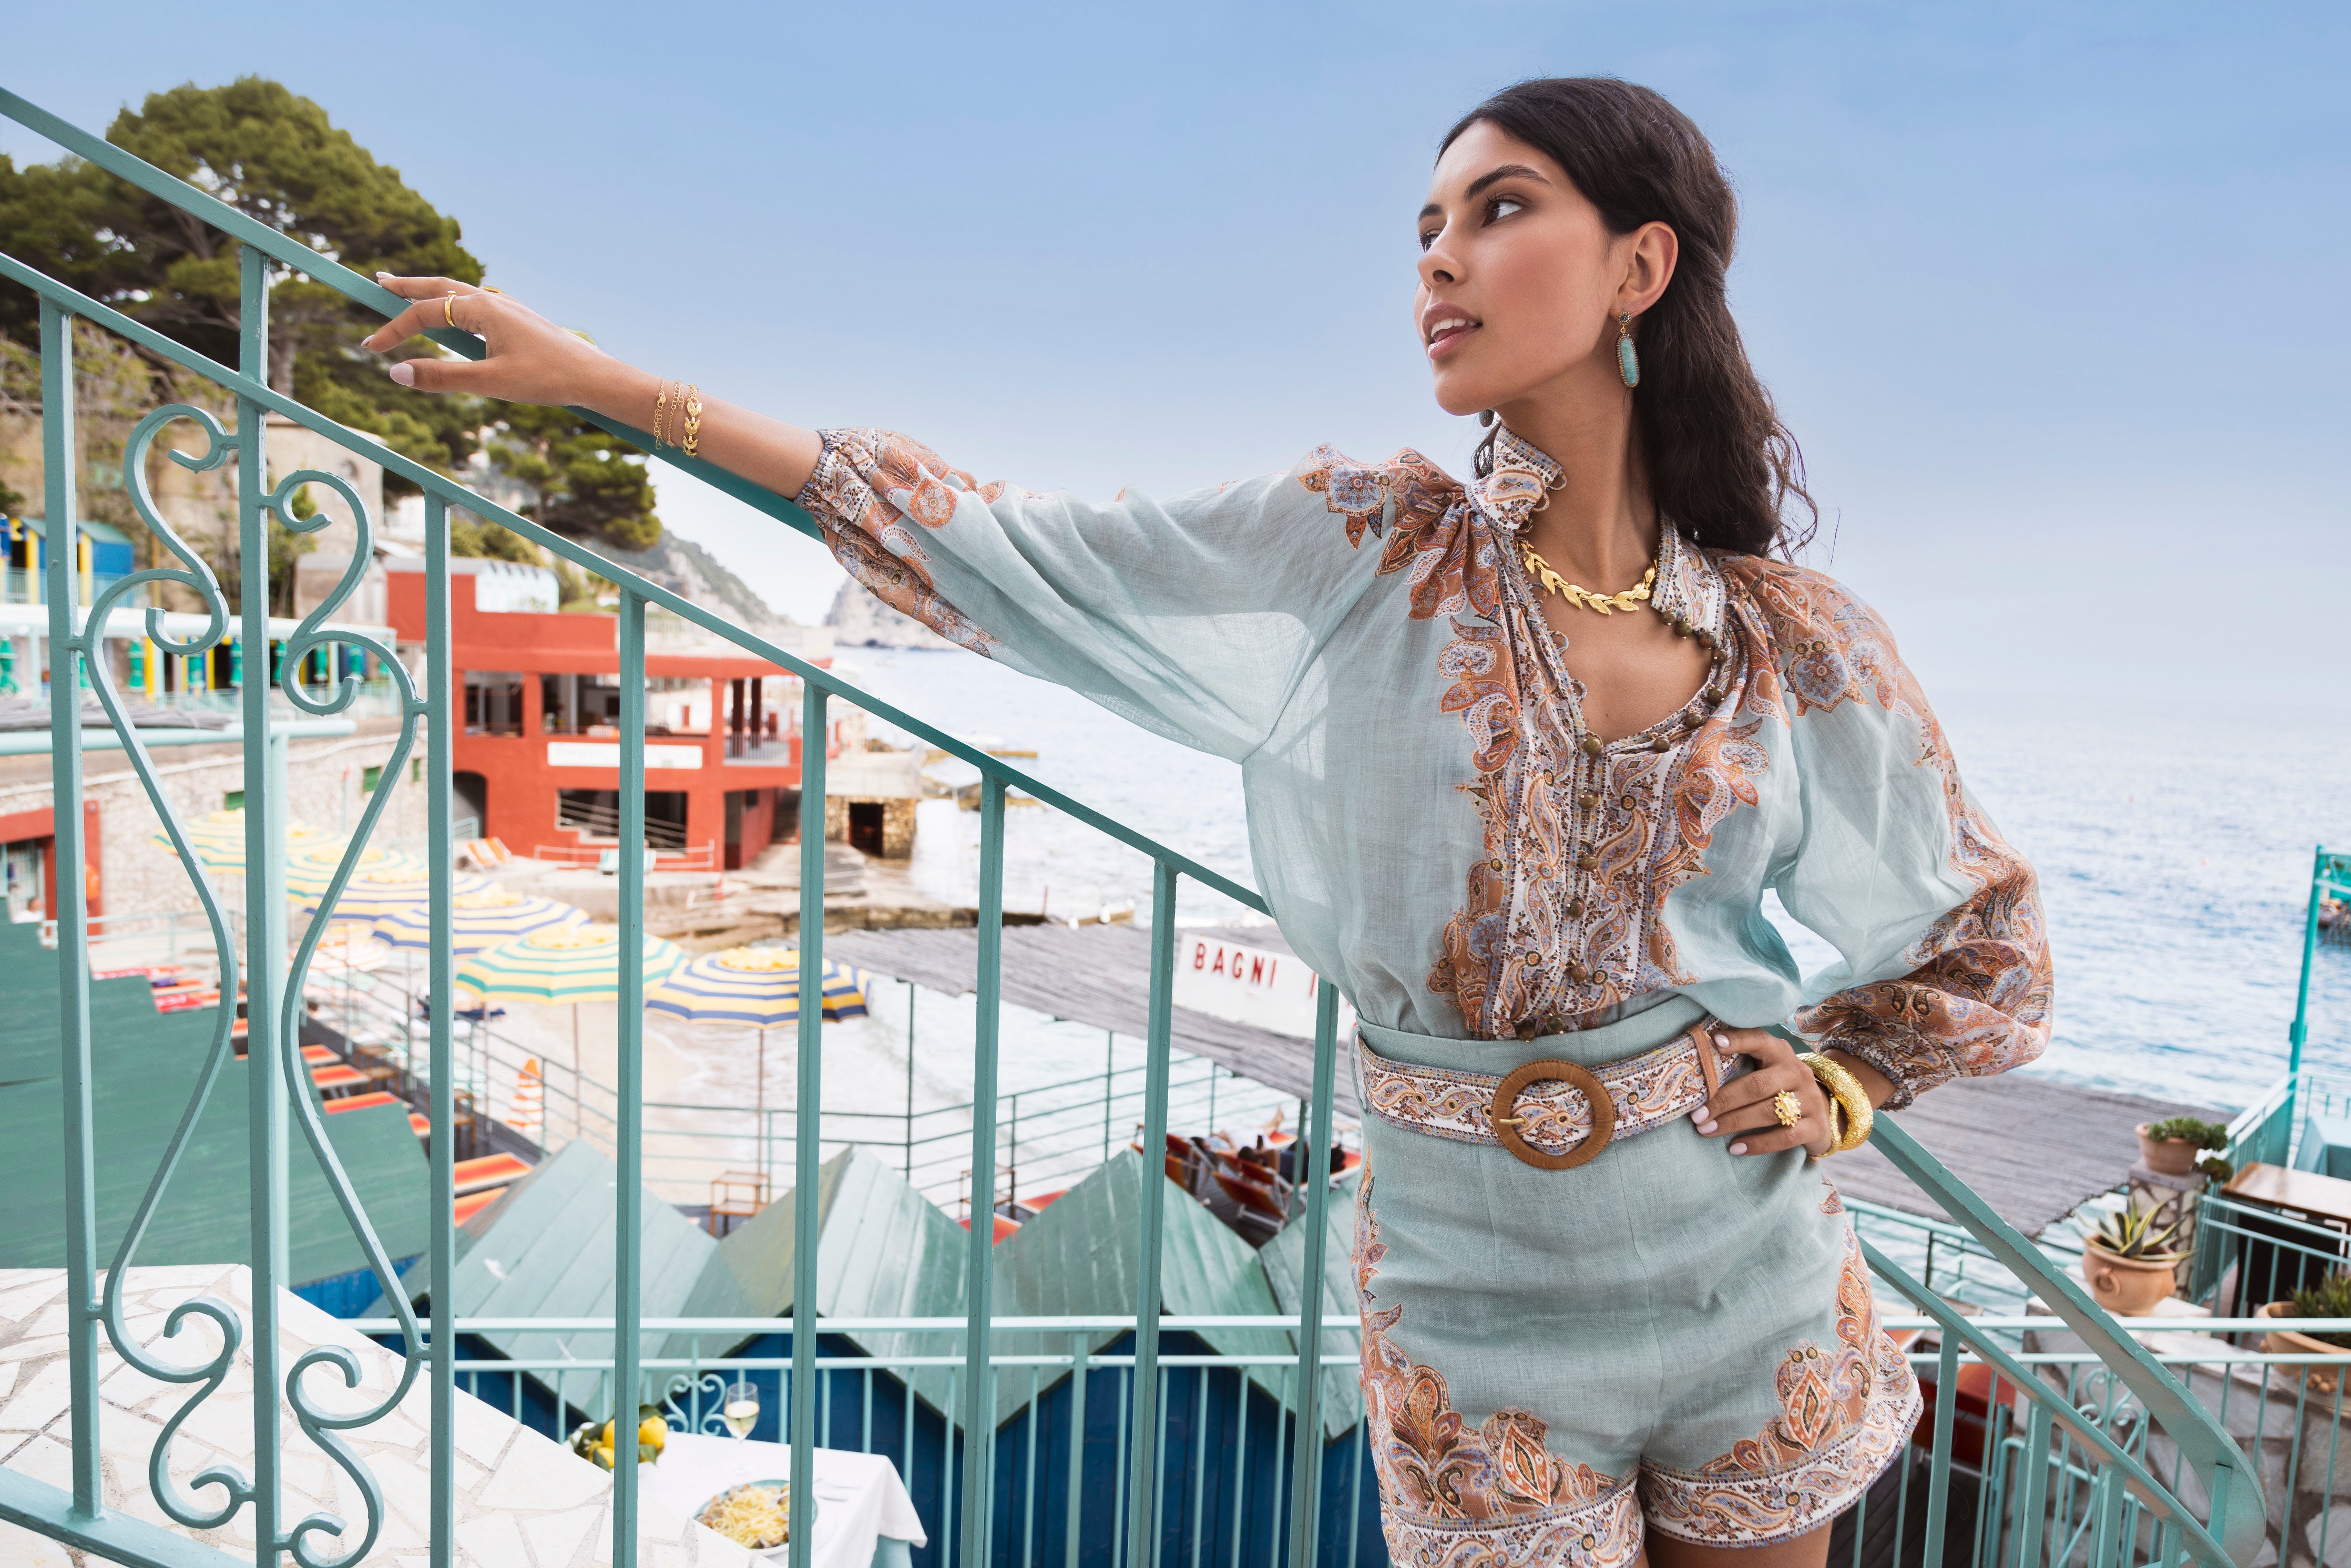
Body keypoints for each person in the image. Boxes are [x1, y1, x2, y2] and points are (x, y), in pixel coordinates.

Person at [363, 75, 2048, 1568]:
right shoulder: (1366, 546)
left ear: (1641, 267)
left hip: (1748, 1284)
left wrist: (1847, 1067)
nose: (1438, 263)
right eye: (1426, 229)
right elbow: (993, 543)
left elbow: (1977, 927)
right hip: (1473, 1312)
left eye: (1500, 208)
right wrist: (600, 383)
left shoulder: (1788, 635)